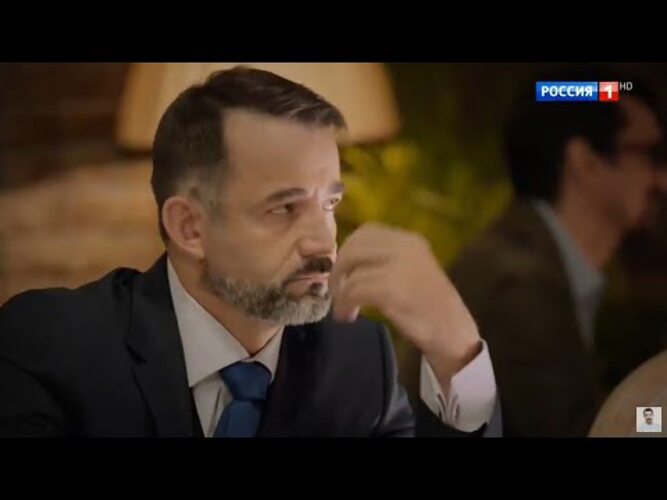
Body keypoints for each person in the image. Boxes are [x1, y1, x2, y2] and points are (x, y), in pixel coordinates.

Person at [0, 67, 499, 437]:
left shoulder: (358, 358)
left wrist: (456, 349)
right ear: (190, 227)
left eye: (329, 203)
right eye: (283, 209)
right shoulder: (54, 345)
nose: (323, 240)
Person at [449, 70, 667, 437]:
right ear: (585, 162)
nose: (662, 180)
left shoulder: (536, 265)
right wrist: (659, 411)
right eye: (650, 154)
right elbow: (594, 430)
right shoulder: (517, 286)